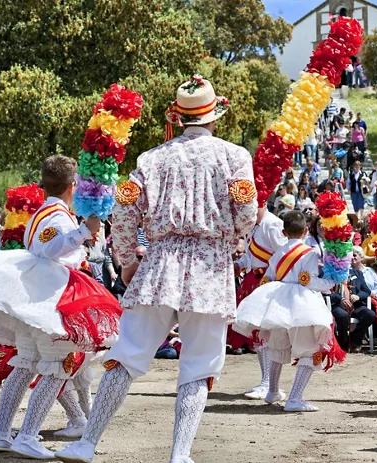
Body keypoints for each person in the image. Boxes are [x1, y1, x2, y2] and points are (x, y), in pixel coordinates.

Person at [56, 76, 257, 463]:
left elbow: (125, 211)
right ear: (214, 117)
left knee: (127, 355)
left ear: (179, 117)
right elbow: (246, 212)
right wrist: (230, 247)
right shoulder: (235, 157)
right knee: (199, 365)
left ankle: (87, 442)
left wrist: (129, 262)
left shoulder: (151, 158)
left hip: (160, 261)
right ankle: (179, 454)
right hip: (209, 265)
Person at [0, 156, 121, 459]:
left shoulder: (43, 212)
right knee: (56, 367)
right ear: (73, 186)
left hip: (33, 298)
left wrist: (80, 235)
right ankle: (26, 435)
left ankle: (2, 432)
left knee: (25, 365)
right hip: (48, 301)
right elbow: (48, 250)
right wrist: (82, 232)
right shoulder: (59, 216)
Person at [234, 211, 340, 412]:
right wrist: (330, 283)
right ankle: (295, 398)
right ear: (306, 230)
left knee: (277, 346)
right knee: (309, 349)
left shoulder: (278, 252)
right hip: (301, 304)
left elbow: (269, 278)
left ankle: (272, 391)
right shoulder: (308, 253)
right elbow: (307, 280)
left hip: (278, 304)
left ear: (283, 231)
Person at [233, 207, 288, 400]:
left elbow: (284, 255)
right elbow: (250, 255)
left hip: (268, 282)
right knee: (257, 334)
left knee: (265, 333)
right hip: (253, 282)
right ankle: (267, 382)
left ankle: (268, 384)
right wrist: (239, 265)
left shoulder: (272, 224)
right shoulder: (252, 224)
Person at [330, 252, 375, 353]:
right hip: (339, 305)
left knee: (370, 314)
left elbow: (366, 290)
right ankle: (343, 343)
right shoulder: (330, 273)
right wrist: (340, 299)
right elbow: (328, 291)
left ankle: (354, 340)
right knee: (342, 315)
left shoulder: (357, 273)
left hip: (355, 305)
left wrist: (358, 296)